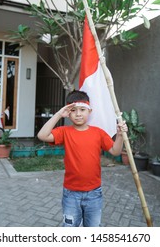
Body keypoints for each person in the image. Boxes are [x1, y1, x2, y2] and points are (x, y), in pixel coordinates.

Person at [37, 90, 128, 227]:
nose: (78, 114)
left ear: (89, 111)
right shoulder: (64, 131)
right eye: (73, 110)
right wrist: (58, 114)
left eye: (82, 110)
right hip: (71, 194)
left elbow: (115, 151)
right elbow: (42, 135)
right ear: (68, 112)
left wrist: (120, 135)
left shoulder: (98, 133)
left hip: (94, 194)